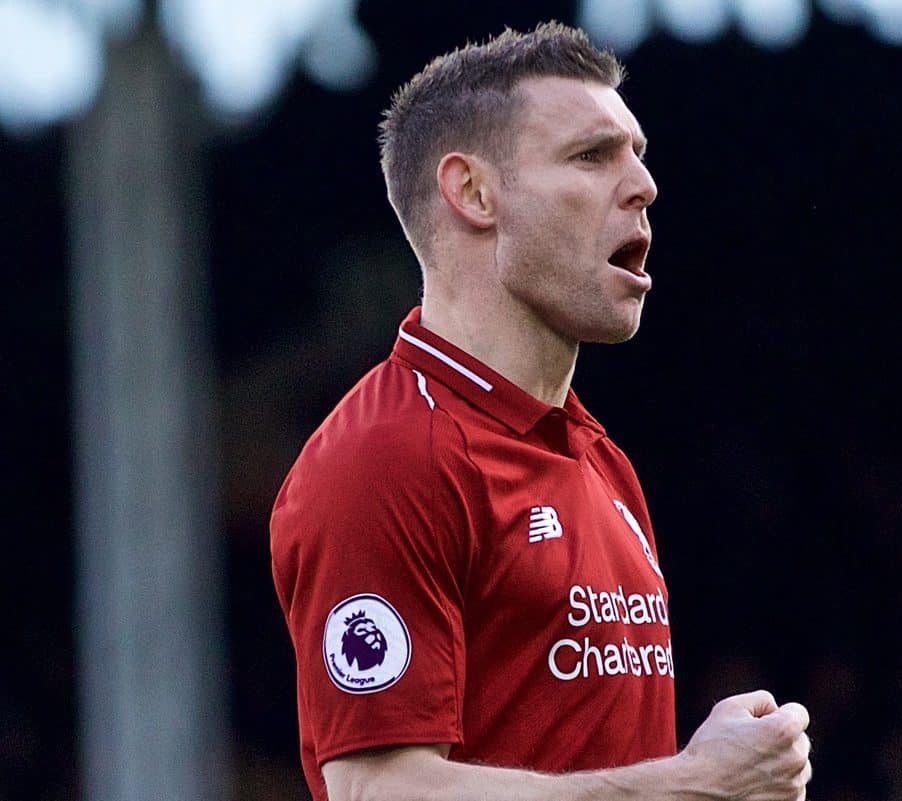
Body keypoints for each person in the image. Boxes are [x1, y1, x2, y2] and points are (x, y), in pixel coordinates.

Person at [270, 21, 813, 801]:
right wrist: (691, 784)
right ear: (474, 192)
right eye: (592, 156)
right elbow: (377, 791)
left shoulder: (600, 461)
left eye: (639, 155)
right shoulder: (387, 455)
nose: (644, 186)